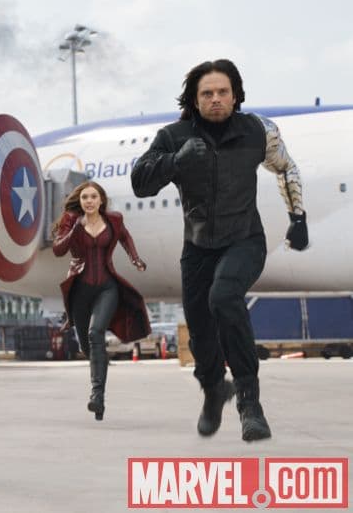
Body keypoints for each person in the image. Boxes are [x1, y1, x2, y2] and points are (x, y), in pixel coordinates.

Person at [131, 59, 308, 442]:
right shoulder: (173, 136)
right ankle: (214, 390)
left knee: (224, 297)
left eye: (223, 92)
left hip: (245, 239)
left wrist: (298, 216)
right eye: (207, 93)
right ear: (194, 100)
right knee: (200, 334)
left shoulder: (258, 131)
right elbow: (140, 183)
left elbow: (286, 167)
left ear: (236, 95)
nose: (215, 99)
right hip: (198, 247)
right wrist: (175, 161)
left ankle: (250, 403)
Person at [51, 181, 149, 421]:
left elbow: (125, 237)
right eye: (85, 197)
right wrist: (74, 230)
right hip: (80, 290)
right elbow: (58, 250)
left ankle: (97, 396)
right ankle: (98, 376)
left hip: (107, 287)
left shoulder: (113, 220)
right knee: (87, 346)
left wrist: (135, 258)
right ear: (80, 201)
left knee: (96, 333)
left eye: (93, 197)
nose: (89, 201)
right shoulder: (71, 221)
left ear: (101, 200)